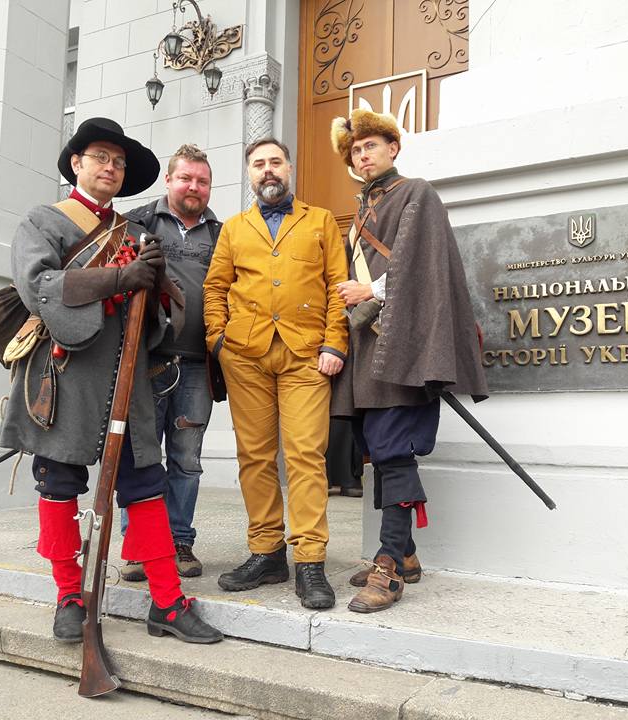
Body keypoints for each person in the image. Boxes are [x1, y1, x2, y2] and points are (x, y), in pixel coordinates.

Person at [0, 117, 222, 644]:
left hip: (128, 376)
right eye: (101, 157)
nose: (111, 167)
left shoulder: (137, 235)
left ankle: (167, 602)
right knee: (59, 485)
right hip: (64, 374)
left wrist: (159, 289)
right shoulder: (42, 221)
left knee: (145, 484)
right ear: (77, 163)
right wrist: (120, 277)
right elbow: (38, 286)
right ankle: (68, 596)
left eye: (119, 162)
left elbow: (159, 322)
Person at [329, 109, 489, 613]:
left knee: (395, 452)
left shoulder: (416, 192)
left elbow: (422, 265)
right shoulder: (362, 208)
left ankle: (389, 567)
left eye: (371, 146)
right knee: (379, 452)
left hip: (404, 346)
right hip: (368, 350)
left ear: (393, 148)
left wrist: (370, 290)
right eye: (356, 151)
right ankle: (407, 554)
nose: (363, 156)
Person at [203, 138, 349, 609]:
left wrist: (334, 343)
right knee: (255, 457)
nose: (268, 170)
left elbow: (337, 287)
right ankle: (266, 553)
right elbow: (215, 287)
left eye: (275, 162)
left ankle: (309, 560)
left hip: (306, 354)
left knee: (306, 455)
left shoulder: (320, 221)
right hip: (245, 356)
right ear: (249, 173)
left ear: (290, 167)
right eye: (258, 164)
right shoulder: (233, 228)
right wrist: (218, 340)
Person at [118, 144, 223, 582]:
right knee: (141, 457)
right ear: (169, 180)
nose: (194, 187)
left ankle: (179, 541)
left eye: (202, 181)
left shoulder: (222, 234)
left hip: (198, 366)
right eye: (186, 178)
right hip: (147, 361)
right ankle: (140, 546)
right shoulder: (137, 222)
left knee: (186, 460)